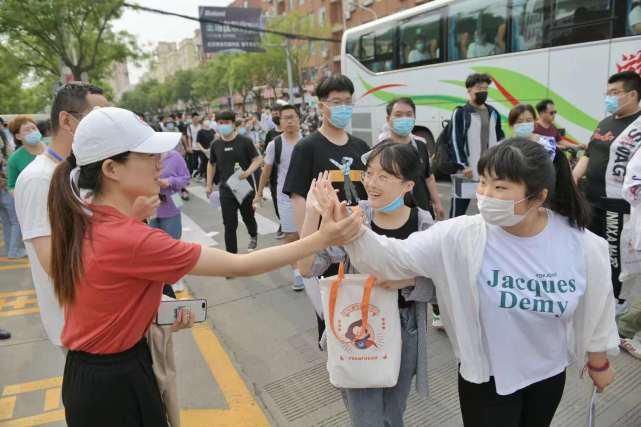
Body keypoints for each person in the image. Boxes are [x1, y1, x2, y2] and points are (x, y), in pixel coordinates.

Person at [46, 106, 361, 427]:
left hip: (96, 374)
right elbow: (242, 265)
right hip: (113, 384)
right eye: (148, 154)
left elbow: (106, 292)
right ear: (111, 168)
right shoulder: (130, 239)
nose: (161, 161)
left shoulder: (86, 215)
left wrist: (152, 308)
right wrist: (323, 237)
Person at [320, 138, 619, 427]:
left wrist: (598, 360)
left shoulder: (583, 246)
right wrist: (352, 231)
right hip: (485, 377)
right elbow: (392, 258)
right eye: (484, 182)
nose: (486, 194)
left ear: (538, 196)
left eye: (500, 187)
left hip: (547, 374)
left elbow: (597, 307)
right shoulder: (460, 235)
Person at [300, 143, 435, 426]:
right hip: (358, 326)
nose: (372, 183)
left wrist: (406, 281)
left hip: (406, 329)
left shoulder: (423, 224)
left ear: (408, 185)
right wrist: (314, 213)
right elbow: (307, 266)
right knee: (366, 419)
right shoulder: (354, 218)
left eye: (384, 176)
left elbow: (437, 284)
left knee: (393, 413)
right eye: (369, 174)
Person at [14, 82, 109, 348]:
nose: (108, 129)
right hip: (78, 327)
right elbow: (54, 264)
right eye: (99, 120)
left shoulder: (76, 171)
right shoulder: (38, 179)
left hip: (100, 318)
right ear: (67, 120)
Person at [283, 74, 370, 343]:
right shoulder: (306, 148)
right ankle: (339, 363)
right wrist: (307, 245)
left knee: (363, 304)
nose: (344, 107)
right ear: (322, 106)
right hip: (326, 248)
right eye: (336, 102)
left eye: (348, 101)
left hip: (359, 241)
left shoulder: (361, 147)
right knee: (331, 312)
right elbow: (299, 198)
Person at [573, 71, 641, 316]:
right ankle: (594, 293)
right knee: (591, 250)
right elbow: (589, 155)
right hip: (590, 200)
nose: (609, 98)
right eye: (608, 93)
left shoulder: (638, 126)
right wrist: (573, 179)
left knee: (615, 254)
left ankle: (617, 300)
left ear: (632, 94)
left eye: (615, 93)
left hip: (618, 204)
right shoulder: (605, 122)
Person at [255, 105, 305, 291]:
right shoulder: (274, 144)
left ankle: (310, 268)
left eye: (293, 117)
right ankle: (297, 272)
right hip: (284, 196)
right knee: (291, 235)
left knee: (306, 234)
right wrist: (259, 192)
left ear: (299, 119)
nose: (289, 121)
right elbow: (266, 171)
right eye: (285, 118)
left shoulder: (307, 142)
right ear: (280, 121)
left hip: (307, 195)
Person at [378, 97, 445, 220]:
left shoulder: (421, 146)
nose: (404, 119)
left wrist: (437, 203)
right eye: (398, 115)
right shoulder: (381, 150)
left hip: (423, 211)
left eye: (409, 115)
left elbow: (428, 177)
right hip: (394, 215)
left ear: (414, 118)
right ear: (388, 119)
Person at [206, 111, 262, 254]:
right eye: (220, 123)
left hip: (243, 187)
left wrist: (247, 172)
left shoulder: (244, 141)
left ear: (233, 123)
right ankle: (231, 257)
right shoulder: (216, 144)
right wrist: (209, 184)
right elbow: (211, 164)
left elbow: (258, 159)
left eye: (226, 122)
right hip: (226, 189)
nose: (223, 125)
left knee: (248, 217)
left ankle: (253, 234)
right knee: (229, 224)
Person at [449, 73, 505, 217]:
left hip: (489, 170)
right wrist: (463, 165)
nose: (483, 92)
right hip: (467, 171)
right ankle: (451, 236)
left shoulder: (493, 113)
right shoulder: (461, 113)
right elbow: (455, 140)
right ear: (469, 90)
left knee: (488, 209)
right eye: (479, 88)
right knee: (458, 211)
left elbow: (500, 138)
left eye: (486, 89)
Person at [149, 148, 191, 296]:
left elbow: (186, 178)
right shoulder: (143, 157)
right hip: (150, 206)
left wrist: (169, 182)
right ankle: (162, 278)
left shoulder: (174, 157)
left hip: (172, 204)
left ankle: (175, 277)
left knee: (172, 242)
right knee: (154, 246)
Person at [0, 123, 25, 260]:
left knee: (6, 220)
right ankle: (14, 250)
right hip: (4, 187)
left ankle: (11, 248)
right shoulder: (4, 140)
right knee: (15, 220)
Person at [7, 116, 46, 190]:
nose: (32, 131)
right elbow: (12, 186)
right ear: (18, 136)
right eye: (27, 130)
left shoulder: (52, 147)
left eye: (34, 128)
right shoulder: (14, 159)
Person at [189, 112, 208, 181]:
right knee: (195, 162)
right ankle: (196, 172)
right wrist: (189, 146)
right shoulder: (189, 127)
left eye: (197, 118)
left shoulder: (201, 126)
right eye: (194, 118)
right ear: (192, 119)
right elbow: (189, 137)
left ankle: (200, 174)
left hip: (200, 147)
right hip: (193, 147)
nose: (196, 120)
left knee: (203, 161)